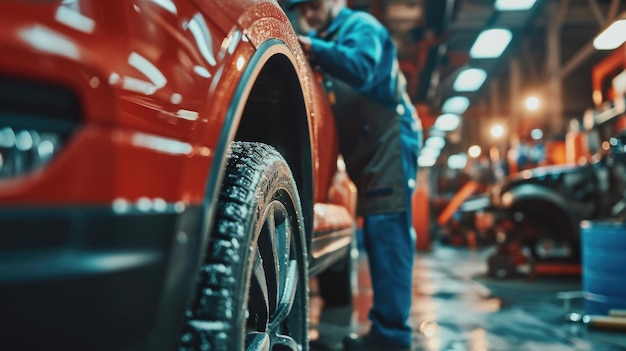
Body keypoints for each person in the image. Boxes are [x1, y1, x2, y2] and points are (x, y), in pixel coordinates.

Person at [286, 1, 422, 350]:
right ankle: (386, 333)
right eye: (304, 10)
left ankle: (392, 337)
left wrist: (313, 47)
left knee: (387, 230)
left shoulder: (360, 26)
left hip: (388, 138)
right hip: (365, 149)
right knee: (378, 231)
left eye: (315, 6)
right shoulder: (325, 39)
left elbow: (363, 67)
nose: (309, 16)